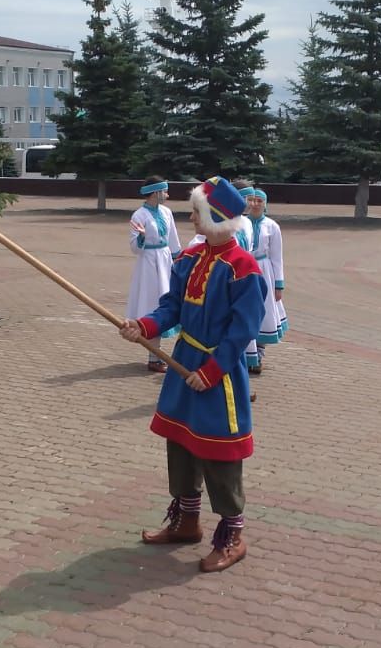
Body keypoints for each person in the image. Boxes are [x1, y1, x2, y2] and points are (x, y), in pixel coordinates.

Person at [119, 176, 267, 573]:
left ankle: (232, 535)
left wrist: (213, 371)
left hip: (218, 375)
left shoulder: (243, 269)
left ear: (217, 217)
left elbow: (242, 331)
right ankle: (186, 521)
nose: (191, 218)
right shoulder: (189, 259)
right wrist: (144, 327)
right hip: (183, 365)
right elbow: (170, 308)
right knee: (181, 445)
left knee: (219, 453)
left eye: (197, 212)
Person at [127, 176, 182, 373]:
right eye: (164, 191)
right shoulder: (139, 215)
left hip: (165, 260)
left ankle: (157, 354)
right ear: (155, 192)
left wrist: (179, 261)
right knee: (152, 303)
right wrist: (141, 237)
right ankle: (153, 356)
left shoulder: (167, 212)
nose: (167, 195)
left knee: (167, 302)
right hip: (149, 264)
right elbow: (134, 248)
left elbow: (173, 240)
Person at [240, 187, 287, 373]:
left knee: (264, 310)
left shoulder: (271, 226)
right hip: (245, 268)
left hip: (264, 270)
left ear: (265, 204)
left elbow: (277, 257)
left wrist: (278, 284)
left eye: (260, 201)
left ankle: (258, 354)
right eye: (253, 200)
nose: (256, 204)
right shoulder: (242, 223)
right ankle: (246, 353)